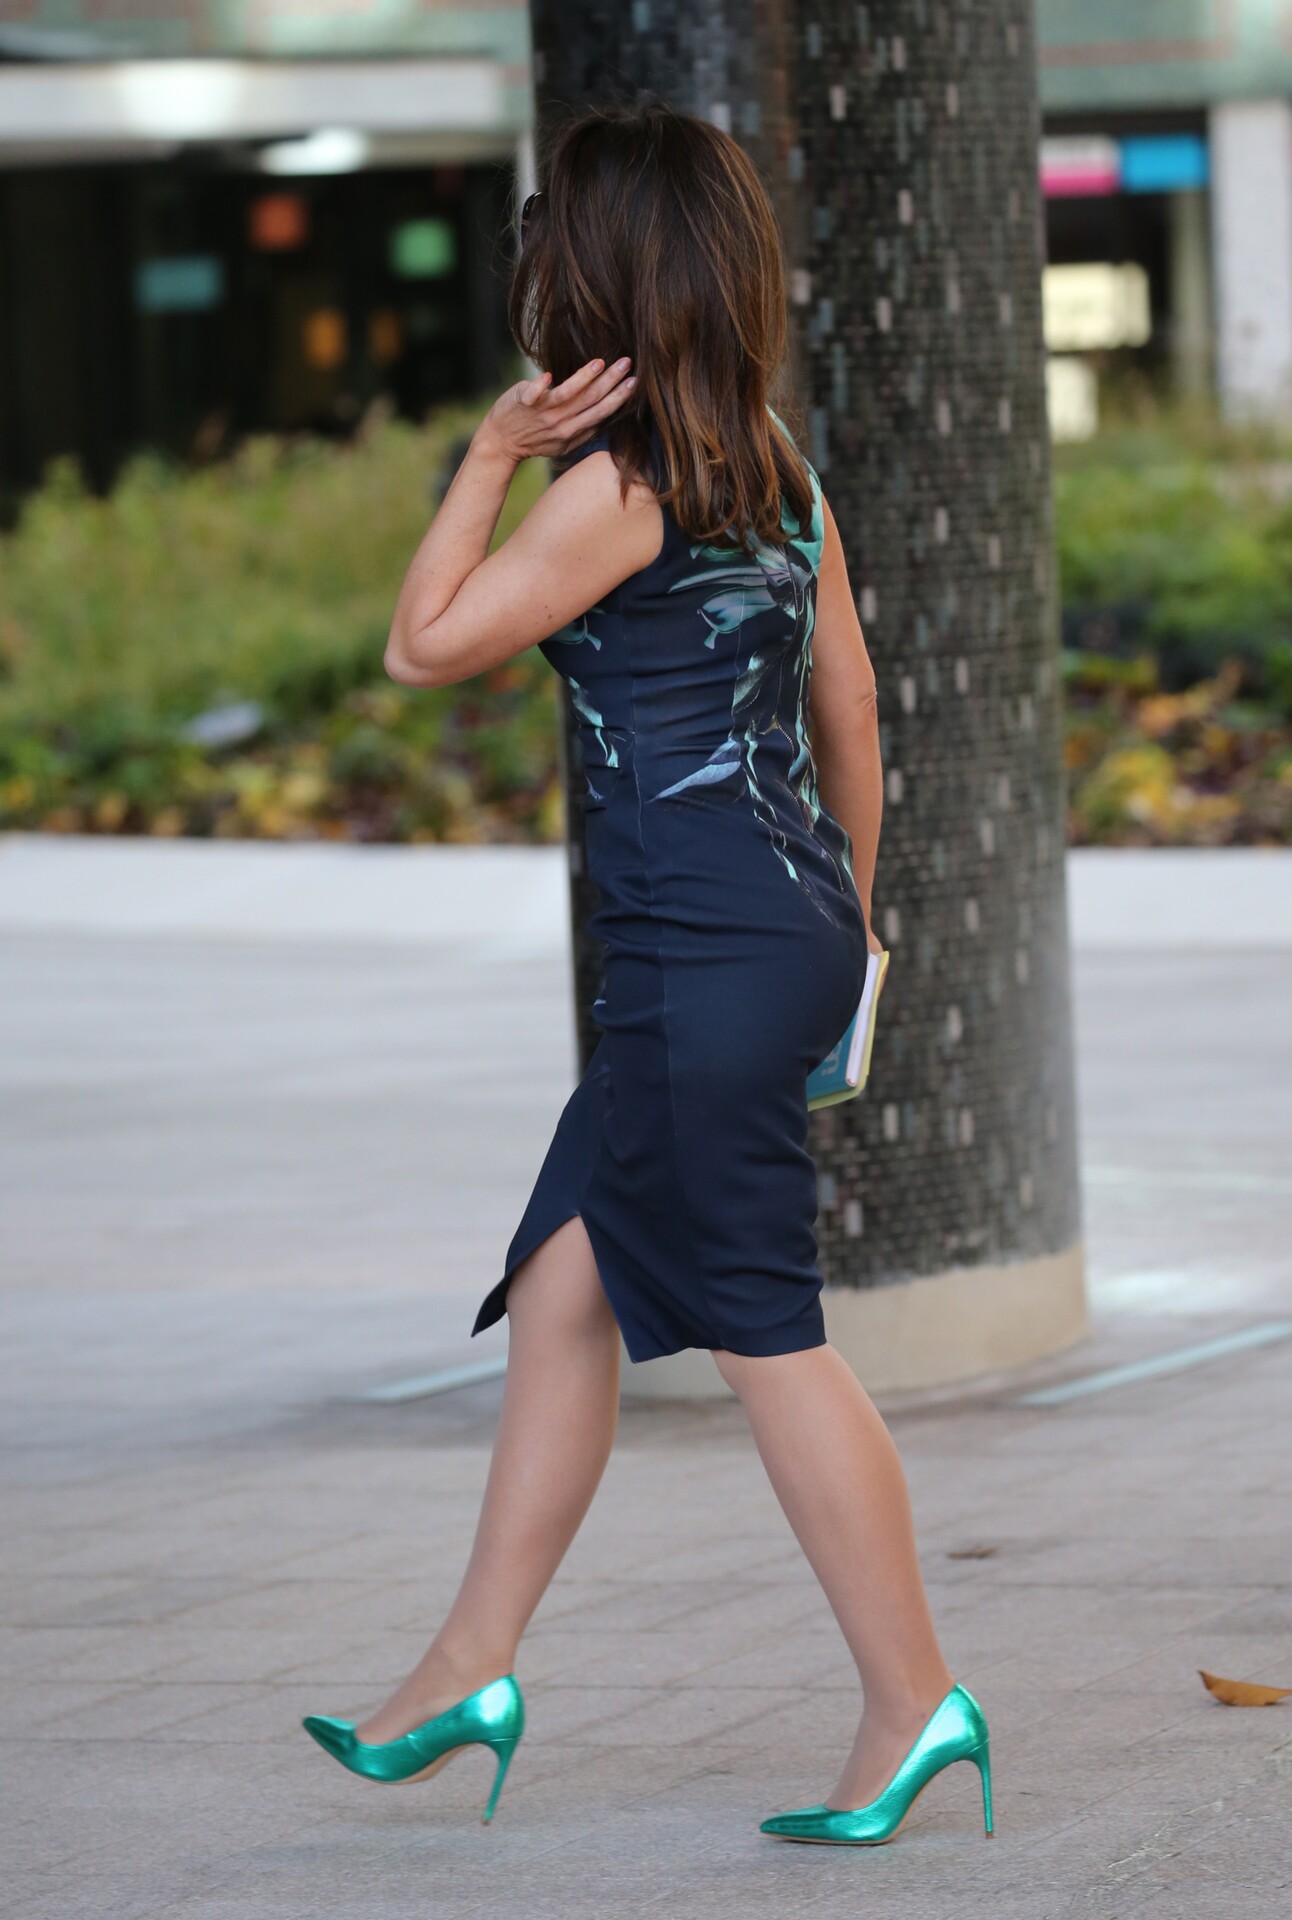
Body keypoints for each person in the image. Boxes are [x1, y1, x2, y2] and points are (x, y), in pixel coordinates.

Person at [302, 100, 992, 1849]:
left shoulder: (618, 491)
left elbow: (421, 646)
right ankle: (469, 1665)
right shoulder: (773, 464)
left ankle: (915, 1699)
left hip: (695, 962)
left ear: (599, 281)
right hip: (781, 929)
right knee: (565, 1278)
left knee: (771, 1340)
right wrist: (848, 925)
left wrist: (488, 451)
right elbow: (852, 706)